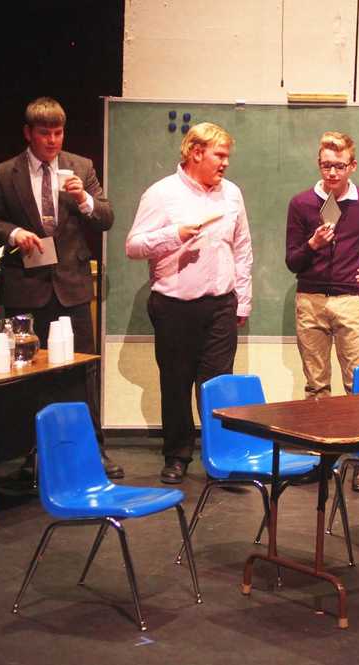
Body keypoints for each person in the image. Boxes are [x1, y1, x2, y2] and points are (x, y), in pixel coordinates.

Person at [0, 97, 122, 478]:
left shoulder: (81, 167)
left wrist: (84, 199)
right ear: (29, 133)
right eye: (45, 134)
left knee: (81, 373)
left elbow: (106, 218)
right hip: (27, 286)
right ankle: (32, 454)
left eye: (58, 133)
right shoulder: (2, 174)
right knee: (31, 374)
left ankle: (93, 451)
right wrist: (13, 232)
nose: (53, 141)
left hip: (71, 286)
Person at [126, 122, 253, 484]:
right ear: (196, 152)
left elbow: (242, 249)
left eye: (227, 156)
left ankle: (222, 457)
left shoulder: (231, 194)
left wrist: (242, 302)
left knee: (217, 386)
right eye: (220, 155)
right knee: (176, 383)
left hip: (221, 306)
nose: (225, 163)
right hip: (175, 307)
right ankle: (178, 455)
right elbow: (133, 246)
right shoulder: (161, 194)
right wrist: (173, 236)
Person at [285, 131, 359, 492]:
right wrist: (312, 244)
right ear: (318, 165)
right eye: (326, 165)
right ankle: (321, 460)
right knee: (317, 386)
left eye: (339, 166)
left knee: (358, 383)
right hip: (310, 300)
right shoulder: (302, 203)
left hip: (350, 301)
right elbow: (292, 261)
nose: (332, 173)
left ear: (352, 166)